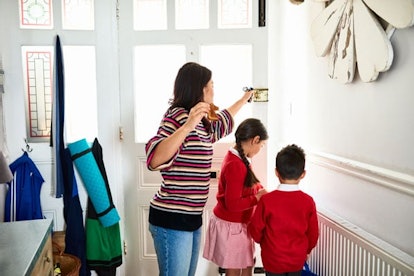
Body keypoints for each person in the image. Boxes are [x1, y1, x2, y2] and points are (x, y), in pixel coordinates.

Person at [145, 62, 254, 276]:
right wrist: (188, 125)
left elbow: (223, 121)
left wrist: (243, 100)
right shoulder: (176, 117)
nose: (214, 89)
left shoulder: (203, 123)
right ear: (200, 89)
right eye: (211, 84)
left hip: (192, 218)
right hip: (171, 218)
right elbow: (154, 159)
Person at [203, 118, 269, 276]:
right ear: (255, 140)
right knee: (234, 267)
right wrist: (257, 199)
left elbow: (249, 183)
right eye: (262, 145)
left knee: (247, 263)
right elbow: (232, 204)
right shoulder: (235, 164)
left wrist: (260, 189)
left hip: (241, 224)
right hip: (231, 225)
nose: (261, 148)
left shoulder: (241, 157)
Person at [247, 144, 319, 276]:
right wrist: (305, 251)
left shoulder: (266, 200)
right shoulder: (308, 202)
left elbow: (255, 229)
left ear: (276, 172)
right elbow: (313, 234)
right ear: (303, 174)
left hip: (272, 259)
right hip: (297, 260)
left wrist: (265, 244)